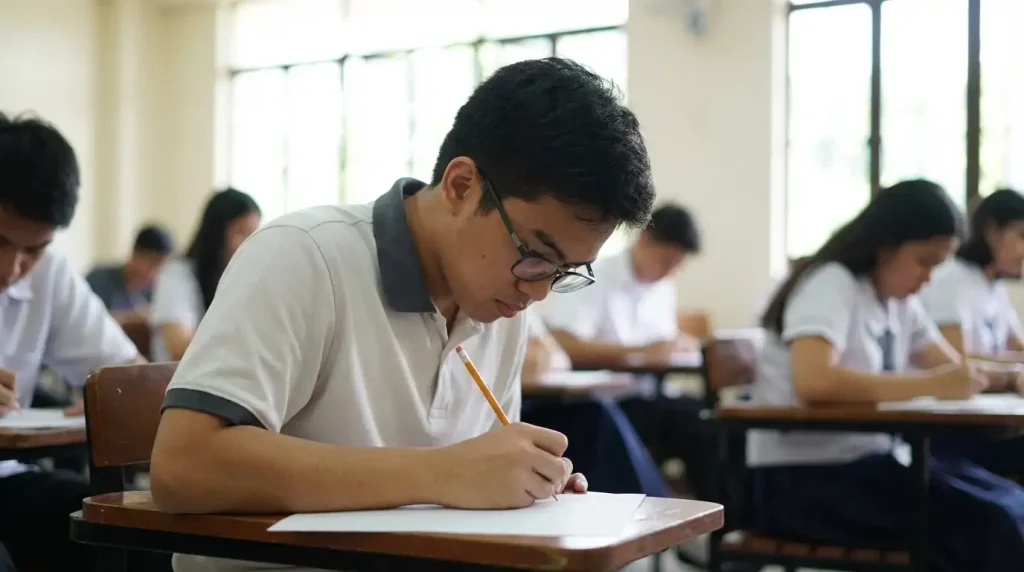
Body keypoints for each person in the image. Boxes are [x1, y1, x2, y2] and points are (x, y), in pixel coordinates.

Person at [149, 58, 656, 571]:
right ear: (461, 186)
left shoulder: (501, 306)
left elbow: (460, 494)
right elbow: (183, 466)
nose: (541, 290)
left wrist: (520, 487)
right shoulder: (304, 257)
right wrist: (443, 473)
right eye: (536, 254)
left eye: (566, 271)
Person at [747, 179, 1024, 572]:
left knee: (1012, 501)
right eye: (925, 261)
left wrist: (1012, 376)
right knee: (992, 523)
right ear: (886, 244)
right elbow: (814, 381)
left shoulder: (898, 302)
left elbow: (955, 370)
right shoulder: (832, 284)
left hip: (868, 464)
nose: (928, 279)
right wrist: (933, 386)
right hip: (804, 481)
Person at [0, 112, 143, 571]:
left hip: (7, 477)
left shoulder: (51, 276)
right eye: (0, 242)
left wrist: (112, 398)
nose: (12, 269)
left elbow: (128, 375)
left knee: (130, 531)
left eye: (34, 249)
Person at [543, 203, 717, 501]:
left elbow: (660, 344)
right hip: (605, 401)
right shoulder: (594, 274)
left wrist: (677, 344)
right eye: (666, 260)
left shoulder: (661, 288)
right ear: (644, 240)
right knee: (694, 426)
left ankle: (715, 522)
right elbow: (564, 345)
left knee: (711, 421)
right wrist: (641, 353)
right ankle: (689, 524)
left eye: (677, 265)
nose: (669, 271)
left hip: (649, 395)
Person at [918, 188, 1024, 473]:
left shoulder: (993, 287)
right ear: (991, 231)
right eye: (1022, 236)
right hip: (955, 433)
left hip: (988, 423)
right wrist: (1015, 374)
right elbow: (958, 360)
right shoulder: (950, 281)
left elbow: (1019, 349)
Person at [520, 312, 671, 497]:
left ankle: (649, 504)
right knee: (594, 420)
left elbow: (560, 357)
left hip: (532, 404)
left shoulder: (521, 310)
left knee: (595, 412)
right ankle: (646, 506)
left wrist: (536, 359)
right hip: (513, 413)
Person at [148, 189, 260, 361]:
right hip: (176, 382)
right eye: (241, 233)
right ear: (216, 233)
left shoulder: (243, 280)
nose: (249, 244)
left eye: (254, 235)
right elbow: (178, 346)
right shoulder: (177, 275)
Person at [86, 224, 174, 321]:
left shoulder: (155, 291)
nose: (156, 272)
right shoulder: (98, 280)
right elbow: (85, 319)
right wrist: (132, 318)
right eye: (153, 263)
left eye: (162, 266)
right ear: (136, 253)